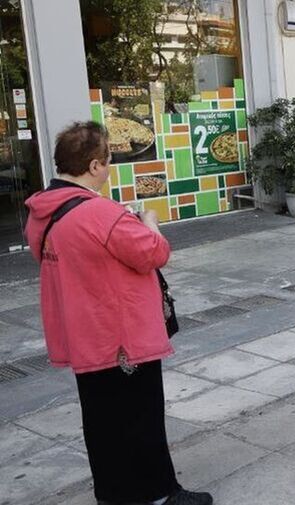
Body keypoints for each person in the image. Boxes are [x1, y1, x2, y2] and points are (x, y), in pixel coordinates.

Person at [24, 122, 211, 505]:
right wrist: (149, 221)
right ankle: (160, 492)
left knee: (100, 420)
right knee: (142, 417)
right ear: (94, 166)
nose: (109, 169)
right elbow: (155, 254)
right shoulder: (100, 214)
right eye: (108, 161)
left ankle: (112, 493)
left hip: (82, 334)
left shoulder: (40, 212)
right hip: (121, 336)